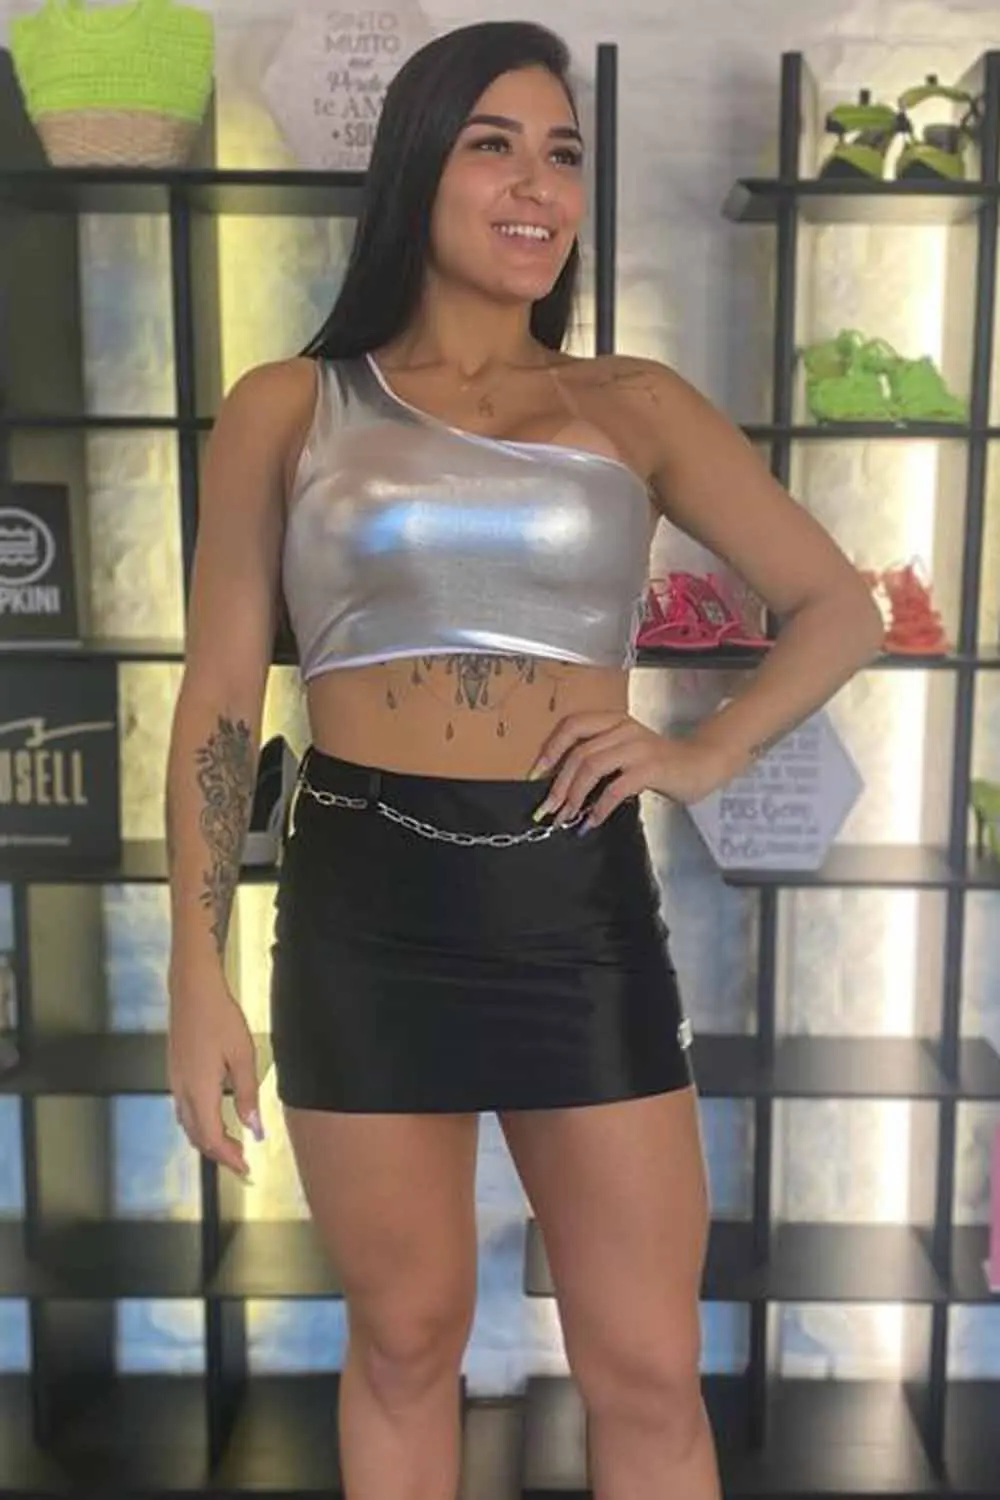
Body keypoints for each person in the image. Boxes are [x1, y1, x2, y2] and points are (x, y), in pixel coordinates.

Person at [165, 19, 884, 1500]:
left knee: (646, 1365)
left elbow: (838, 606)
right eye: (493, 144)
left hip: (574, 906)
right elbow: (222, 696)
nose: (536, 184)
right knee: (406, 1340)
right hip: (362, 912)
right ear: (418, 169)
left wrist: (700, 753)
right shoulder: (289, 406)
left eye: (562, 153)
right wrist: (196, 970)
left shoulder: (636, 405)